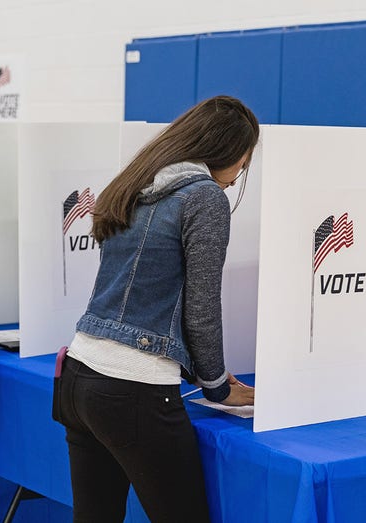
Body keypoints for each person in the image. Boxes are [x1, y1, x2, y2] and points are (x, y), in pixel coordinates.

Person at [54, 95, 259, 523]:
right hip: (133, 390)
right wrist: (217, 386)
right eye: (243, 162)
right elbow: (202, 308)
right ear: (222, 149)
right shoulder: (203, 197)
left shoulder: (135, 183)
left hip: (77, 375)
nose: (239, 176)